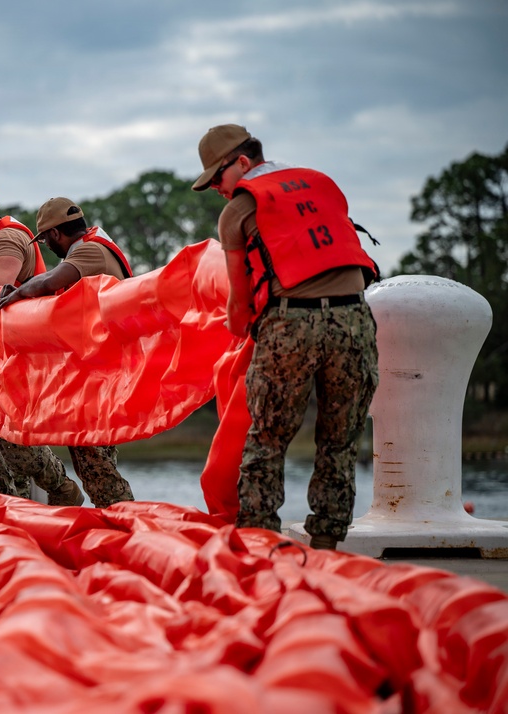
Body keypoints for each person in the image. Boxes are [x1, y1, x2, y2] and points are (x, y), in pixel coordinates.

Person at [192, 124, 379, 550]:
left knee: (267, 441)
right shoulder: (322, 183)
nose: (217, 189)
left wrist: (238, 333)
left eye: (217, 178)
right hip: (355, 320)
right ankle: (327, 544)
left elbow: (239, 304)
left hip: (290, 325)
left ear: (242, 162)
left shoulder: (237, 211)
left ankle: (259, 543)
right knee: (339, 441)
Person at [0, 178, 84, 506]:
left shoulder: (7, 238)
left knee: (11, 440)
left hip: (25, 357)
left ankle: (60, 489)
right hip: (0, 358)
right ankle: (12, 503)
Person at [0, 197, 136, 508]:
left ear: (55, 234)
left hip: (102, 378)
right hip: (98, 374)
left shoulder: (89, 250)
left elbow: (50, 281)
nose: (46, 246)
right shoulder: (92, 246)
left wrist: (18, 293)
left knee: (95, 463)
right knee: (93, 460)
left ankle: (123, 519)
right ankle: (115, 517)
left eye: (45, 240)